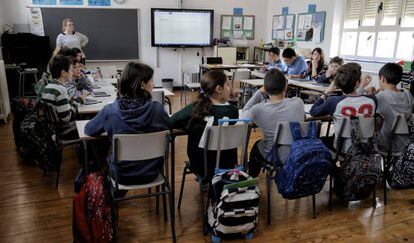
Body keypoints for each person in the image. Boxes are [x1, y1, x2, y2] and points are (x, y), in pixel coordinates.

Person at [84, 62, 171, 185]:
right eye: (151, 81)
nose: (154, 84)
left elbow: (89, 130)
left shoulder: (110, 111)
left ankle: (112, 197)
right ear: (142, 85)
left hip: (121, 175)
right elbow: (169, 131)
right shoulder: (158, 110)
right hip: (152, 173)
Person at [171, 70, 238, 181]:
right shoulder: (232, 111)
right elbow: (226, 110)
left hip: (201, 166)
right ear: (218, 89)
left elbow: (172, 121)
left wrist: (188, 125)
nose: (230, 89)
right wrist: (234, 100)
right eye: (228, 85)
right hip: (226, 167)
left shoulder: (195, 108)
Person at [242, 69, 305, 177]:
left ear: (265, 89)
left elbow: (244, 113)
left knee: (256, 147)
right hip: (298, 152)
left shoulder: (259, 109)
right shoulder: (298, 102)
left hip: (274, 156)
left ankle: (250, 180)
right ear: (285, 86)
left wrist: (258, 92)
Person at [359, 63, 414, 153]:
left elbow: (362, 106)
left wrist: (369, 94)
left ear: (383, 78)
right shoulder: (408, 95)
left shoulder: (381, 97)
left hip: (385, 144)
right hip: (405, 144)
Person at [41, 55, 86, 140]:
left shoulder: (47, 87)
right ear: (63, 73)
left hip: (54, 130)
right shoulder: (61, 90)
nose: (72, 72)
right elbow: (66, 117)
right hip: (65, 130)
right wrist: (77, 105)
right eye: (70, 70)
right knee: (90, 122)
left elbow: (64, 106)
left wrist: (77, 101)